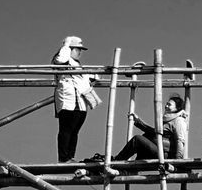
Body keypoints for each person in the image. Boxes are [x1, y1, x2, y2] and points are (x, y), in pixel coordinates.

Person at [52, 35, 99, 163]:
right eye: (77, 49)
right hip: (67, 100)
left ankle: (70, 157)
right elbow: (60, 60)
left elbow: (89, 76)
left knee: (74, 130)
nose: (79, 52)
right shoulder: (61, 59)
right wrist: (66, 44)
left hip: (80, 101)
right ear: (69, 48)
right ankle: (63, 158)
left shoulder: (77, 64)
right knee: (66, 129)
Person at [108, 94, 189, 162]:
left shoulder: (179, 120)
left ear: (177, 108)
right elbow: (153, 132)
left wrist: (178, 160)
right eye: (166, 104)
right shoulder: (167, 119)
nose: (166, 106)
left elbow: (180, 140)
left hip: (165, 154)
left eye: (169, 105)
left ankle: (117, 161)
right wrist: (138, 121)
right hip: (158, 150)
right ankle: (128, 171)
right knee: (143, 143)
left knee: (137, 139)